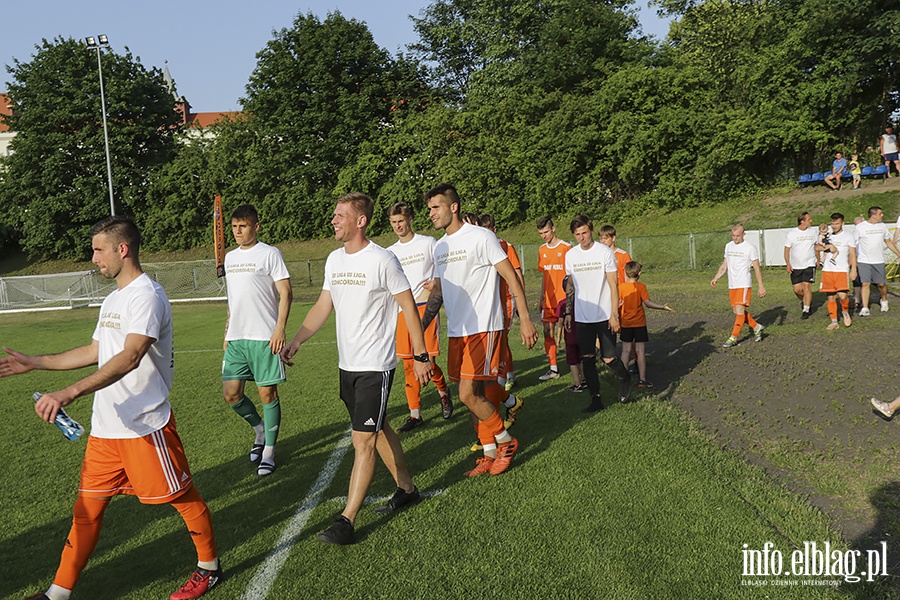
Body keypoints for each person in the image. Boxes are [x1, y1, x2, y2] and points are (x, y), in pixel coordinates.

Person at [1, 216, 221, 600]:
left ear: (123, 249)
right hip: (106, 430)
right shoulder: (114, 298)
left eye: (98, 249)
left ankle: (209, 568)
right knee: (86, 510)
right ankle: (58, 593)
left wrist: (70, 392)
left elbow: (132, 355)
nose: (93, 258)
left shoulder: (147, 296)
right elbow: (96, 351)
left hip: (144, 426)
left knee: (181, 498)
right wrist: (36, 361)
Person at [281, 192, 429, 545]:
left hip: (375, 366)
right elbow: (323, 304)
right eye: (334, 215)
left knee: (362, 440)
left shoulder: (383, 260)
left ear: (360, 221)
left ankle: (346, 520)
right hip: (346, 365)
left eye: (340, 215)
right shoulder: (334, 260)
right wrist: (298, 338)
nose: (333, 220)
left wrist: (422, 356)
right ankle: (406, 488)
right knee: (378, 429)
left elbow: (409, 308)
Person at [420, 183, 538, 476]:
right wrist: (419, 329)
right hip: (456, 330)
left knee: (467, 394)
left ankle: (506, 441)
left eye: (436, 207)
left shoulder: (482, 237)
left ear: (453, 207)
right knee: (477, 395)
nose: (431, 214)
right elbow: (437, 294)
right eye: (430, 209)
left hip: (483, 327)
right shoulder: (439, 247)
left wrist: (524, 319)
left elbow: (512, 278)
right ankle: (488, 453)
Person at [222, 204, 292, 477]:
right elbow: (233, 299)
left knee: (267, 394)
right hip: (237, 339)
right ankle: (259, 430)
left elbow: (285, 293)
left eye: (243, 226)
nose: (238, 232)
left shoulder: (270, 254)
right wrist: (227, 332)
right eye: (235, 227)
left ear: (256, 227)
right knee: (231, 394)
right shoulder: (229, 258)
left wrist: (280, 329)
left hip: (265, 337)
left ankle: (270, 453)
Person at [387, 202, 453, 431]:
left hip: (426, 308)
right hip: (402, 312)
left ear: (410, 219)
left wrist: (435, 282)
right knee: (408, 364)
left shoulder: (428, 243)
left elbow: (441, 272)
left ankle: (443, 392)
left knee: (428, 361)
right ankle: (415, 414)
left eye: (401, 221)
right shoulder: (390, 252)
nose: (398, 226)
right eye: (394, 222)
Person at [564, 215, 633, 413]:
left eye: (584, 232)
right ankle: (596, 399)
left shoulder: (603, 252)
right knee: (587, 358)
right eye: (577, 234)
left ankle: (625, 378)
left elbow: (613, 284)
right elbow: (571, 286)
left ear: (591, 231)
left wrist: (614, 314)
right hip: (582, 317)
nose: (581, 237)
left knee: (609, 358)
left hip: (604, 315)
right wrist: (568, 311)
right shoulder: (571, 255)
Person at [477, 213, 524, 392]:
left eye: (489, 232)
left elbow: (517, 275)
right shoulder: (479, 246)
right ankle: (507, 373)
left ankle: (502, 378)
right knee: (497, 340)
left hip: (506, 301)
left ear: (494, 230)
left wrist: (521, 303)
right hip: (489, 302)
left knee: (502, 339)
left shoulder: (506, 246)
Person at [618, 261, 675, 388]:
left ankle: (623, 378)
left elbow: (616, 304)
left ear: (625, 272)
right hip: (639, 323)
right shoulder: (641, 287)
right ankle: (642, 380)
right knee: (640, 351)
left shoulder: (620, 287)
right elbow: (648, 303)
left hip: (626, 323)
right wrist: (662, 307)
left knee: (625, 351)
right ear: (639, 273)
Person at [710, 224, 767, 347]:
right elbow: (725, 264)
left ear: (743, 234)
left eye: (737, 236)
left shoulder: (750, 248)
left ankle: (733, 337)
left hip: (743, 283)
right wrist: (716, 277)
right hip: (732, 284)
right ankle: (757, 327)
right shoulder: (728, 246)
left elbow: (756, 267)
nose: (735, 238)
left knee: (740, 309)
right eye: (733, 235)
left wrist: (761, 286)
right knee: (736, 311)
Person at [535, 216, 571, 382]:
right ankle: (554, 369)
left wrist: (571, 297)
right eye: (541, 233)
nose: (544, 235)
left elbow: (572, 276)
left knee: (569, 333)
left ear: (553, 229)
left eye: (546, 232)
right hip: (548, 301)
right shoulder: (542, 250)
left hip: (563, 299)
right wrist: (541, 296)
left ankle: (576, 367)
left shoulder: (566, 248)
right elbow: (544, 277)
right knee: (547, 333)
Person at [855, 206, 900, 315]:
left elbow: (888, 241)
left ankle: (884, 299)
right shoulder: (860, 227)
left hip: (878, 260)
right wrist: (852, 259)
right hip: (864, 260)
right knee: (865, 283)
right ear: (873, 215)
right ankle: (865, 308)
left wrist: (898, 253)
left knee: (881, 284)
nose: (882, 215)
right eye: (880, 214)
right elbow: (853, 243)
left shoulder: (883, 226)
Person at [816, 213, 856, 330]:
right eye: (832, 223)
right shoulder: (826, 236)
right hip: (828, 270)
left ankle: (845, 312)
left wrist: (853, 269)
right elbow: (816, 248)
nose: (834, 226)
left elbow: (853, 254)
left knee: (842, 296)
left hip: (841, 270)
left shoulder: (848, 236)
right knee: (831, 297)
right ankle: (834, 321)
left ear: (842, 223)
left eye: (837, 223)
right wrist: (828, 247)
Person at [783, 212, 817, 319]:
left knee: (807, 287)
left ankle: (806, 309)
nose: (811, 221)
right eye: (809, 219)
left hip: (809, 263)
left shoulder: (813, 232)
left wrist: (818, 259)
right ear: (802, 221)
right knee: (797, 290)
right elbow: (787, 250)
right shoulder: (792, 234)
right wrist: (788, 263)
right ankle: (806, 300)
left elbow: (816, 246)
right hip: (796, 266)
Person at [555, 277, 585, 392]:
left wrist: (558, 338)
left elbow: (561, 322)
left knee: (573, 362)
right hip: (581, 334)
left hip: (570, 338)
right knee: (582, 358)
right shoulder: (581, 302)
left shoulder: (562, 304)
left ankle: (577, 385)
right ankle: (583, 379)